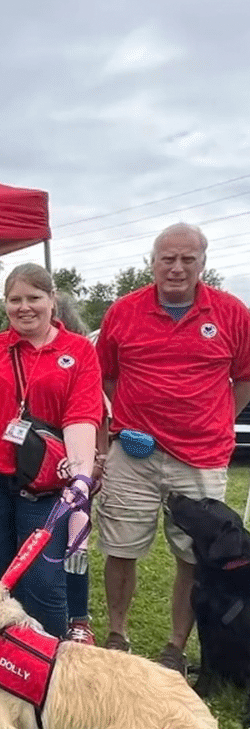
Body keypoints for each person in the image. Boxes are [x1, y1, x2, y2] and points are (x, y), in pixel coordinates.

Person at [96, 222, 250, 675]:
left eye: (188, 259)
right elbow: (108, 375)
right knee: (120, 546)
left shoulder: (231, 313)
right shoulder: (123, 311)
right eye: (168, 259)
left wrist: (215, 417)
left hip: (201, 455)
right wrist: (123, 423)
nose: (177, 268)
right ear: (153, 262)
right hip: (133, 452)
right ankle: (117, 636)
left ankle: (175, 647)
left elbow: (244, 378)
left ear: (204, 263)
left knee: (193, 554)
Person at [0, 264, 102, 638]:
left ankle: (51, 661)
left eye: (34, 298)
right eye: (15, 300)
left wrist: (80, 480)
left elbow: (82, 416)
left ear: (52, 300)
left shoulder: (78, 351)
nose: (24, 307)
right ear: (5, 304)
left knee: (44, 579)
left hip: (47, 486)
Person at [53, 292, 107, 645]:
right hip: (34, 476)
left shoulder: (82, 361)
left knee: (75, 546)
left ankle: (78, 618)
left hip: (76, 479)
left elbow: (100, 419)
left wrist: (97, 462)